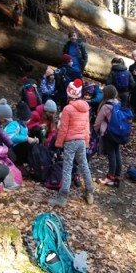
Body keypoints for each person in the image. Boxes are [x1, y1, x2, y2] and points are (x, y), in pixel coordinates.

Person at [48, 79, 95, 207]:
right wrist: (86, 141)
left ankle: (62, 197)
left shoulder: (68, 109)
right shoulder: (86, 109)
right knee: (84, 165)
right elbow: (87, 128)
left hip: (70, 141)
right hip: (81, 141)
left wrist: (58, 143)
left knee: (67, 168)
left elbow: (63, 129)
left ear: (69, 94)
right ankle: (90, 192)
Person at [94, 85, 122, 187]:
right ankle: (117, 177)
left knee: (111, 154)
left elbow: (98, 121)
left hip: (108, 133)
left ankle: (110, 177)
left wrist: (95, 129)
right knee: (117, 153)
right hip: (118, 133)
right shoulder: (118, 103)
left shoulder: (106, 106)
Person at [6, 101, 38, 165]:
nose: (29, 121)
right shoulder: (14, 124)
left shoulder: (25, 127)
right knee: (25, 145)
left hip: (19, 148)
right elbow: (10, 137)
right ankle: (19, 163)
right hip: (12, 148)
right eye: (28, 119)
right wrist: (26, 139)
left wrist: (33, 141)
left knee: (31, 146)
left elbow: (25, 137)